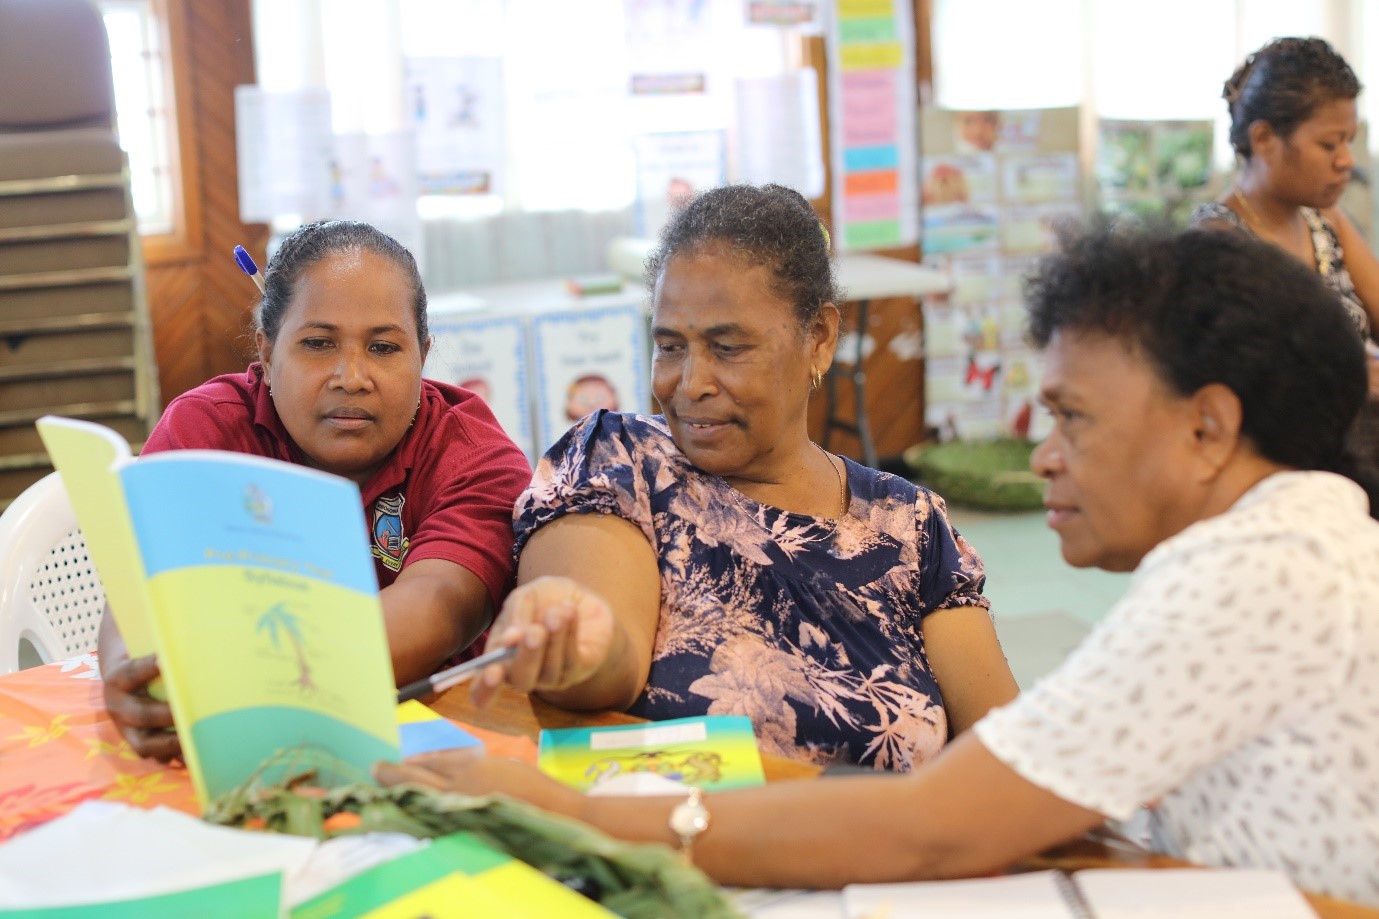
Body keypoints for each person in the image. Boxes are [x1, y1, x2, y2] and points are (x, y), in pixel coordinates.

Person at [377, 224, 1379, 907]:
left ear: (1207, 426)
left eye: (1071, 415)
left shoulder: (1257, 567)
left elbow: (940, 817)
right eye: (670, 344)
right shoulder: (620, 453)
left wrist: (575, 816)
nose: (1040, 453)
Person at [466, 183, 1019, 770]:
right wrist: (576, 637)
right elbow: (606, 670)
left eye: (728, 347)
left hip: (893, 856)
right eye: (670, 346)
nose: (691, 381)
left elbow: (1007, 760)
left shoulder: (912, 526)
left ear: (821, 338)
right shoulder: (620, 461)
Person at [99, 220, 532, 760]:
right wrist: (129, 671)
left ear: (422, 354)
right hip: (230, 743)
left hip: (433, 744)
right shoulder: (206, 432)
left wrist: (231, 679)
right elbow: (145, 580)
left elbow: (438, 607)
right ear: (266, 350)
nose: (351, 376)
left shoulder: (475, 458)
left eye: (383, 347)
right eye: (318, 343)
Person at [1191, 37, 1379, 345]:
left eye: (1349, 141)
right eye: (1329, 144)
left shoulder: (1323, 221)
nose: (1346, 161)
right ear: (1264, 138)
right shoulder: (1217, 242)